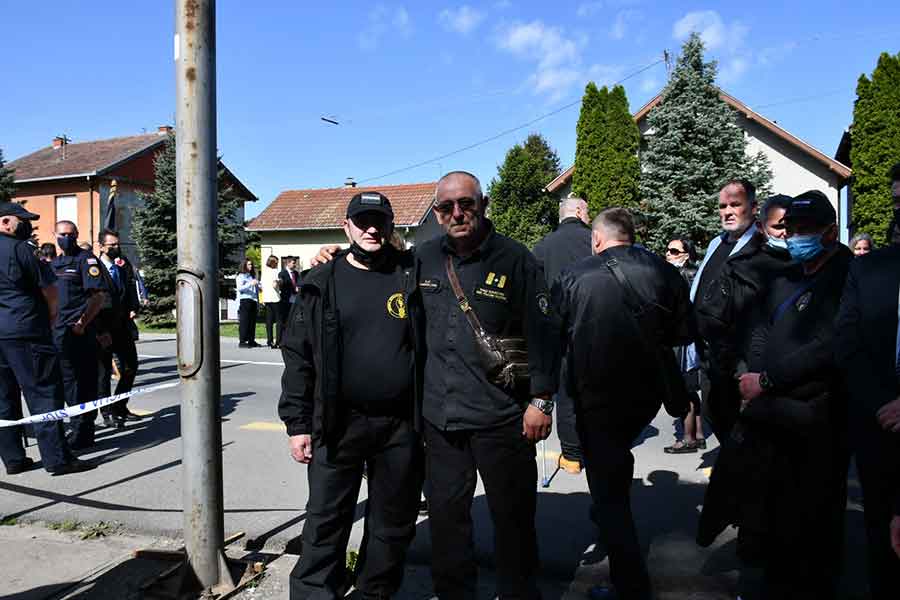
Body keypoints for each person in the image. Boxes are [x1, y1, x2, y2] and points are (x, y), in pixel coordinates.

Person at [311, 173, 557, 599]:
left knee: (513, 520)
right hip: (440, 422)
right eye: (446, 207)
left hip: (502, 418)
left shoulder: (516, 259)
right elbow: (374, 261)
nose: (457, 213)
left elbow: (545, 334)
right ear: (438, 213)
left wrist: (542, 399)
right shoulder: (421, 258)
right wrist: (333, 256)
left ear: (483, 204)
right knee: (447, 523)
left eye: (466, 204)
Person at [702, 191, 851, 599]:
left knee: (815, 521)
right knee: (773, 514)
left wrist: (767, 380)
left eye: (805, 230)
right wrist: (750, 374)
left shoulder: (847, 276)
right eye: (791, 228)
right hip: (770, 414)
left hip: (817, 416)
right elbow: (760, 329)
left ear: (830, 232)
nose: (795, 236)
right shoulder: (788, 275)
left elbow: (829, 346)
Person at [279, 191, 424, 599]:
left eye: (380, 221)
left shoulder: (412, 273)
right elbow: (298, 356)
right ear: (347, 227)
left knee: (392, 522)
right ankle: (314, 592)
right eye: (362, 221)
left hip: (400, 424)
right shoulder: (321, 281)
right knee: (326, 519)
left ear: (391, 226)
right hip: (337, 422)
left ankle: (373, 591)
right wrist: (297, 423)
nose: (371, 229)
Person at [553, 208, 693, 600]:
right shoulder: (664, 271)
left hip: (596, 394)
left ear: (597, 238)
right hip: (644, 395)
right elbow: (683, 333)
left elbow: (557, 337)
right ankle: (608, 515)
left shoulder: (576, 275)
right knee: (614, 466)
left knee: (610, 490)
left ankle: (630, 584)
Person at [836, 163, 900, 599]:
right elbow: (847, 342)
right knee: (882, 537)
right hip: (879, 423)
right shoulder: (869, 270)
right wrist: (880, 403)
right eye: (897, 201)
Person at [0, 204, 93, 475]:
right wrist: (51, 319)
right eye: (23, 220)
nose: (28, 225)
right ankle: (57, 459)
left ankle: (13, 459)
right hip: (26, 330)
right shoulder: (22, 249)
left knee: (3, 397)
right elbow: (50, 291)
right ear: (5, 222)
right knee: (44, 394)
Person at [689, 179, 767, 441]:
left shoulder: (761, 246)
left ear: (753, 208)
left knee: (742, 429)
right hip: (710, 355)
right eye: (723, 206)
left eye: (735, 204)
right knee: (714, 415)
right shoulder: (716, 243)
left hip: (739, 356)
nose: (728, 211)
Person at [532, 195, 591, 473]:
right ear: (578, 212)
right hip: (594, 326)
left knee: (566, 394)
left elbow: (535, 291)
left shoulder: (543, 246)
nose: (589, 217)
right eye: (587, 212)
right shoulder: (595, 241)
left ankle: (572, 455)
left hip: (558, 330)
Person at [52, 220, 111, 450]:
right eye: (61, 234)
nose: (66, 238)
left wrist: (83, 323)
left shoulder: (86, 260)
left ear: (76, 235)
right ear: (55, 235)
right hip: (58, 332)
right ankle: (75, 428)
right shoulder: (54, 263)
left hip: (79, 332)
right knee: (67, 383)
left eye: (70, 234)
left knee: (82, 383)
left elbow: (98, 297)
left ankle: (83, 432)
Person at [95, 229, 141, 428]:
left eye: (117, 244)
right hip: (103, 328)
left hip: (122, 326)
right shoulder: (94, 269)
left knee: (131, 366)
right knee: (103, 373)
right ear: (101, 246)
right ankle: (106, 413)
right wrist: (99, 330)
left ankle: (120, 406)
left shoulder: (121, 268)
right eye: (111, 245)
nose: (116, 247)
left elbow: (129, 291)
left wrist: (133, 308)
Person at [663, 236, 704, 454]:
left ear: (686, 254)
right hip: (687, 338)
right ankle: (698, 434)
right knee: (690, 388)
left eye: (674, 251)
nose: (668, 254)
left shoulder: (686, 275)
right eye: (668, 250)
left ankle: (688, 438)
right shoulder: (683, 273)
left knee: (683, 389)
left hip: (684, 341)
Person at [236, 258, 260, 348]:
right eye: (249, 264)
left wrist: (258, 287)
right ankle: (242, 341)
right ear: (244, 265)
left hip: (253, 300)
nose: (251, 266)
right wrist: (250, 284)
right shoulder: (240, 276)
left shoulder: (251, 276)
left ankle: (251, 340)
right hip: (245, 300)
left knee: (252, 322)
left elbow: (255, 289)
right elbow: (240, 288)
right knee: (244, 321)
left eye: (251, 264)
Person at [277, 256, 299, 347]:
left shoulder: (296, 273)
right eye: (293, 263)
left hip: (294, 299)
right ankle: (280, 341)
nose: (295, 265)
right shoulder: (282, 273)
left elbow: (298, 283)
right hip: (285, 299)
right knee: (283, 321)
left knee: (292, 320)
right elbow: (282, 285)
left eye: (295, 263)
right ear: (288, 263)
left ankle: (289, 340)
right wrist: (293, 289)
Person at [262, 255, 282, 349]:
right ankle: (278, 341)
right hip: (275, 298)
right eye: (277, 262)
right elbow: (275, 284)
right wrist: (280, 282)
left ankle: (269, 340)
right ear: (274, 263)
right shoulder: (275, 272)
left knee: (269, 320)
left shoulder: (264, 272)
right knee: (279, 320)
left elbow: (262, 285)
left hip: (267, 298)